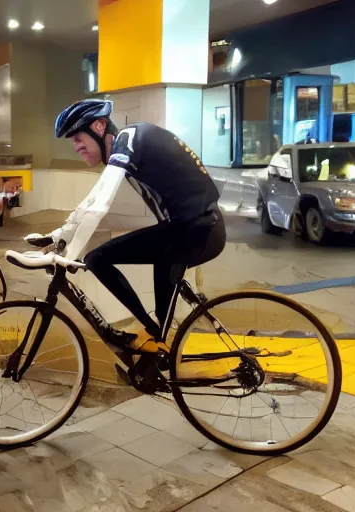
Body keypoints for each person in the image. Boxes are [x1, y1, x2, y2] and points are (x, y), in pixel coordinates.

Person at [52, 99, 226, 351]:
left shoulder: (128, 140)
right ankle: (155, 336)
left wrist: (70, 252)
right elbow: (94, 198)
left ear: (100, 127)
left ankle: (156, 342)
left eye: (78, 138)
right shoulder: (128, 141)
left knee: (106, 259)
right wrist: (60, 234)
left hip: (200, 231)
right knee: (101, 259)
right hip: (186, 229)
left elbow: (100, 205)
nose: (75, 146)